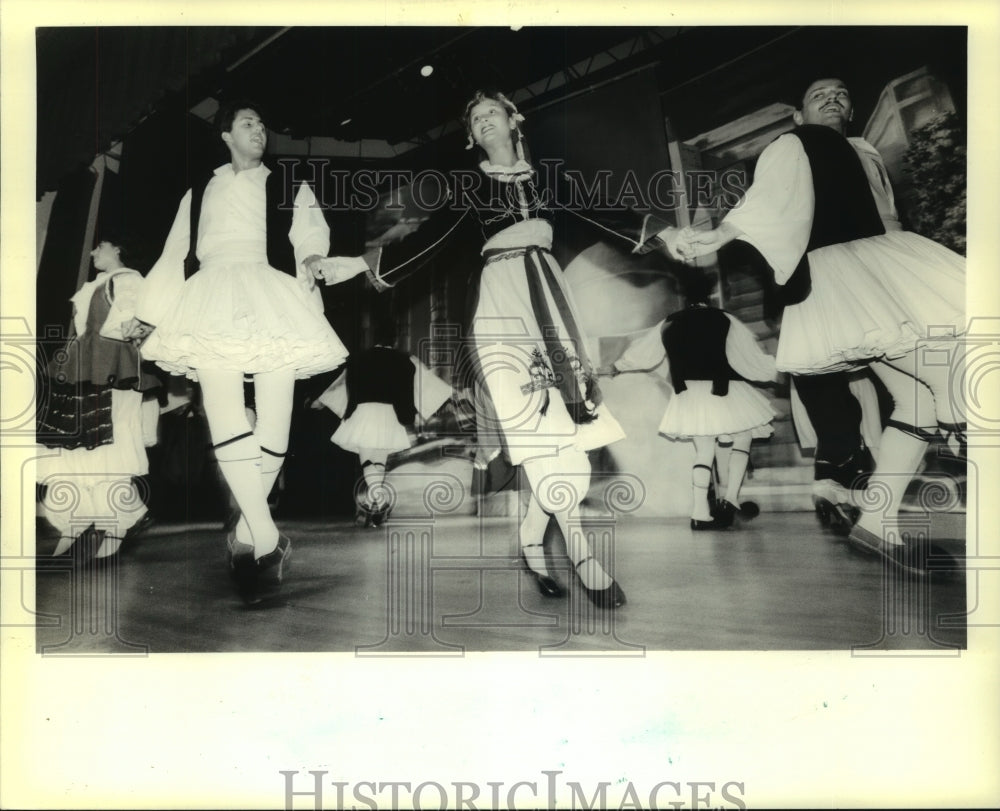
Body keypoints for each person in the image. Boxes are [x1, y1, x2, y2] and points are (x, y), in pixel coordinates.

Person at [315, 90, 677, 608]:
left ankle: (531, 543)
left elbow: (602, 213)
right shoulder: (470, 187)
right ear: (470, 136)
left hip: (552, 308)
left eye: (491, 113)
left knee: (565, 439)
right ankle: (581, 554)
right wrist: (359, 263)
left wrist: (664, 235)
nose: (484, 121)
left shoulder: (548, 177)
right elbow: (427, 241)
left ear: (514, 120)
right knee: (538, 431)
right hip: (501, 310)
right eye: (475, 119)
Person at [674, 77, 966, 575]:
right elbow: (769, 200)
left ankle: (875, 522)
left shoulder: (859, 149)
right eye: (818, 95)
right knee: (964, 383)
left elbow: (887, 216)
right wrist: (716, 234)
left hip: (881, 278)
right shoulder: (795, 142)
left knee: (919, 400)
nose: (833, 98)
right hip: (847, 281)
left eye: (842, 94)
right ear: (798, 114)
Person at [125, 100, 350, 604]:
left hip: (269, 291)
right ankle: (266, 537)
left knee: (275, 422)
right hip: (210, 296)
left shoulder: (288, 182)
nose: (260, 131)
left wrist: (313, 257)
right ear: (225, 134)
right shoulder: (200, 190)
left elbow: (309, 231)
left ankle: (248, 534)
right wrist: (153, 309)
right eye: (248, 123)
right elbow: (175, 250)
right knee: (226, 413)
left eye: (263, 124)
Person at [603, 271, 777, 529]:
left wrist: (618, 365)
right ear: (709, 294)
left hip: (689, 395)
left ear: (684, 296)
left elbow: (644, 355)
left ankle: (699, 513)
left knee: (704, 451)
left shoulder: (669, 323)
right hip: (724, 390)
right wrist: (778, 367)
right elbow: (748, 359)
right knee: (743, 436)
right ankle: (730, 498)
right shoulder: (724, 320)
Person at [37, 237, 161, 560]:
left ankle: (119, 521)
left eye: (99, 247)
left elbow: (136, 327)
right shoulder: (94, 286)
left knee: (112, 442)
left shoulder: (130, 281)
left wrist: (133, 333)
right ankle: (76, 520)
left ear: (117, 248)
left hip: (115, 369)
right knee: (74, 445)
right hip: (83, 366)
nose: (93, 253)